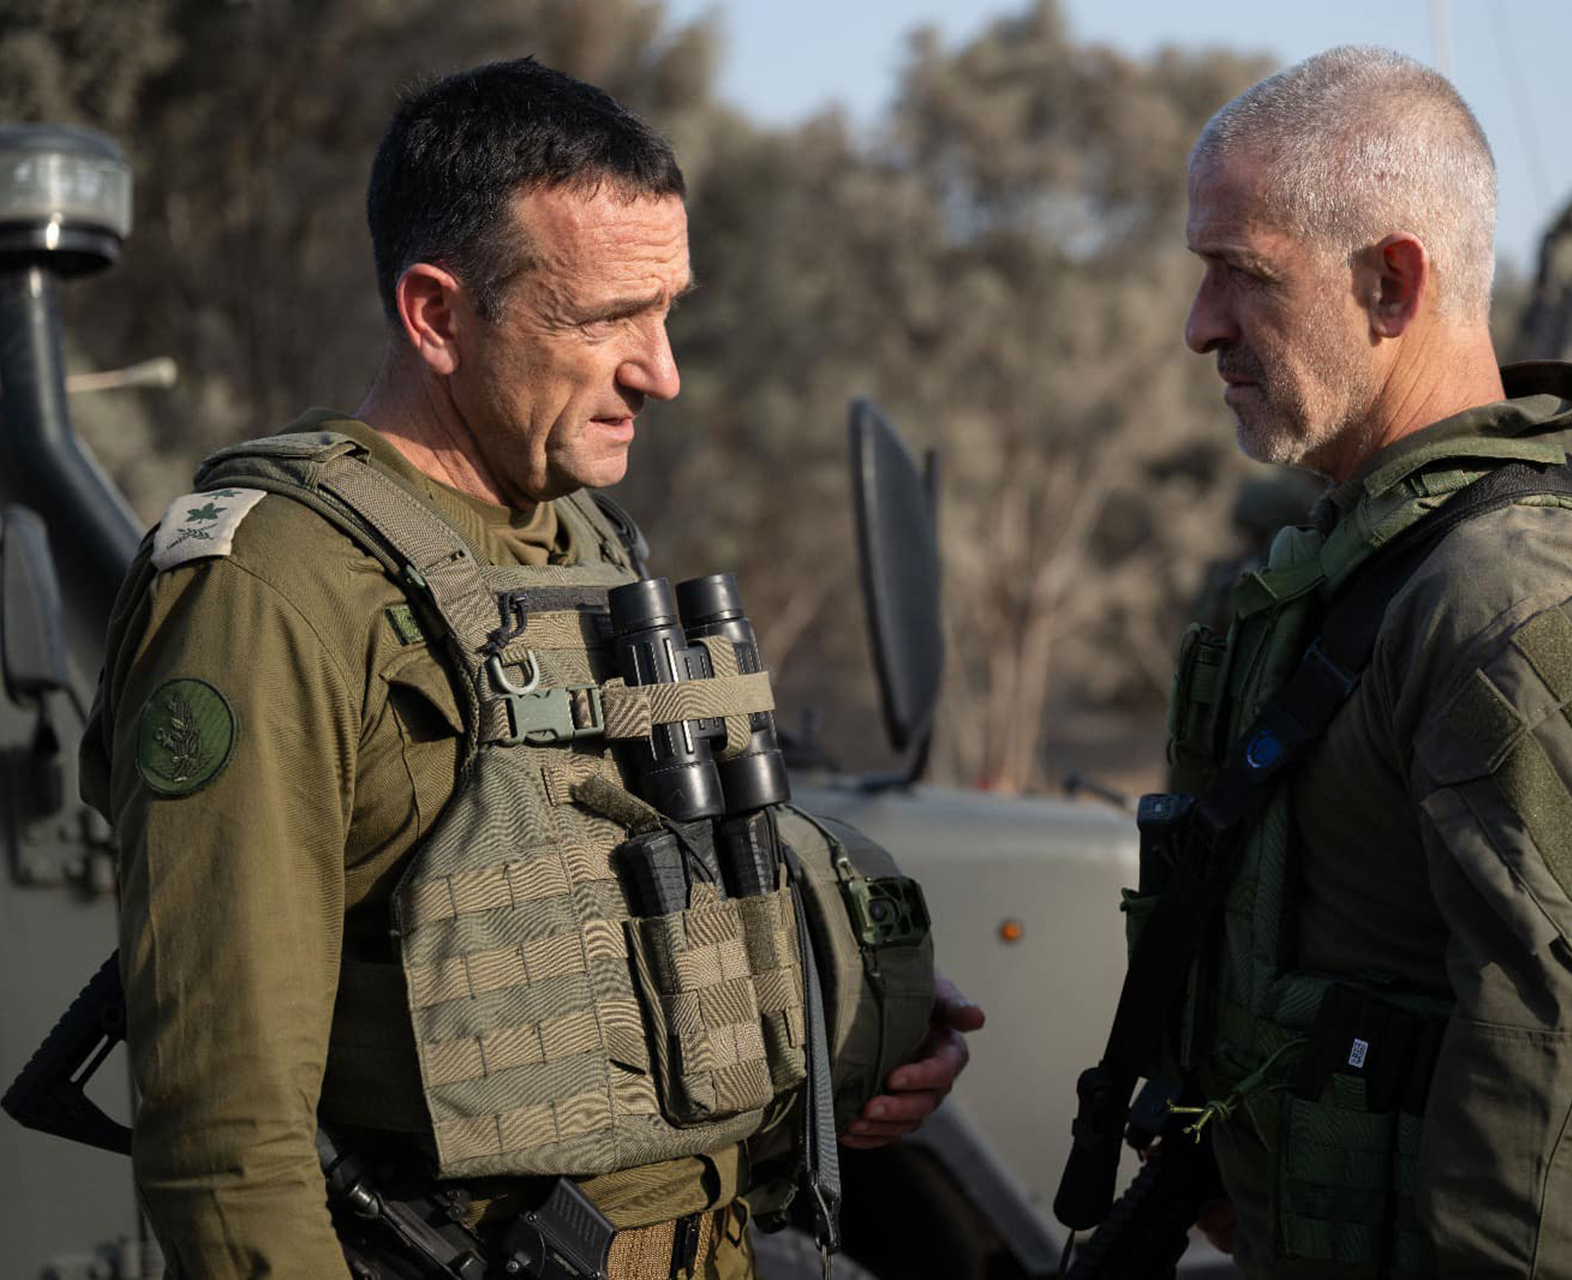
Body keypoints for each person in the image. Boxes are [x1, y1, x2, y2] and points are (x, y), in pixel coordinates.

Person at [78, 58, 981, 1280]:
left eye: (668, 309)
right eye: (607, 318)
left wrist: (846, 1026)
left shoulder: (589, 542)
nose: (661, 370)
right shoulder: (268, 587)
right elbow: (225, 1134)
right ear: (436, 315)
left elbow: (615, 936)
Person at [1163, 47, 1572, 1277]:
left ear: (1393, 282)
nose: (1201, 326)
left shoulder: (1514, 602)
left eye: (1242, 273)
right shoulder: (1359, 561)